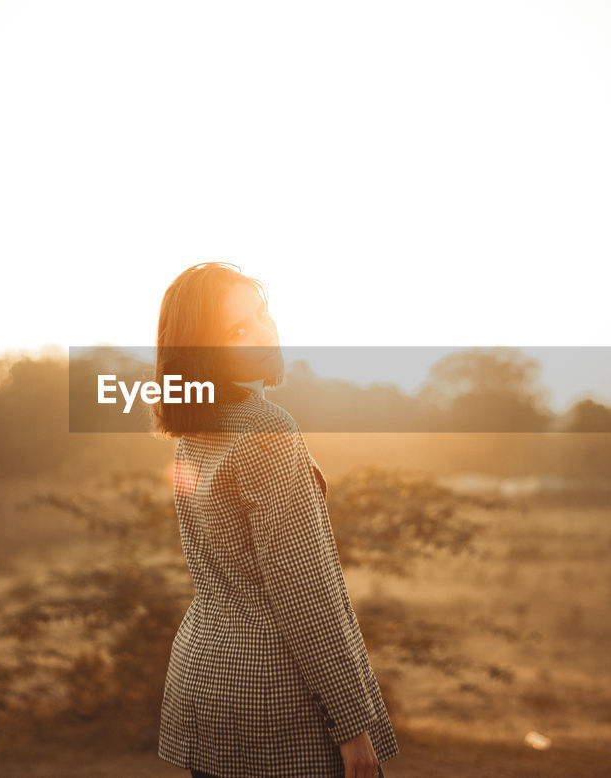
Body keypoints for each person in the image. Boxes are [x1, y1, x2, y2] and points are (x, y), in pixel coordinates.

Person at [152, 262, 398, 778]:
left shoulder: (194, 424)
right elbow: (304, 592)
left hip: (205, 676)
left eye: (261, 315)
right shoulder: (267, 427)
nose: (262, 334)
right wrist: (354, 727)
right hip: (274, 697)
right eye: (236, 331)